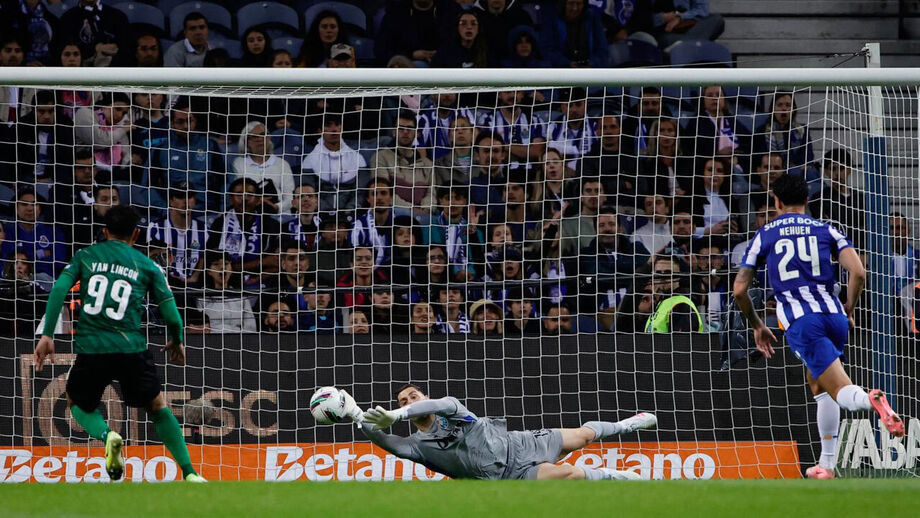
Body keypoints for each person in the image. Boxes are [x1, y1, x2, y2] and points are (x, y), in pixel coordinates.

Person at [732, 173, 905, 479]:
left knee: (839, 390)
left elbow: (739, 289)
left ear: (776, 202)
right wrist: (849, 307)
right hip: (834, 315)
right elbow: (859, 272)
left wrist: (757, 324)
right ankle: (826, 465)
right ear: (808, 200)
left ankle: (871, 400)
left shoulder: (766, 233)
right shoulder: (826, 229)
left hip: (802, 320)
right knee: (819, 385)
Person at [33, 206, 205, 483]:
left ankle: (108, 436)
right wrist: (177, 339)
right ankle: (190, 473)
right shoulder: (146, 264)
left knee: (76, 402)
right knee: (157, 407)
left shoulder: (85, 256)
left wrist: (47, 334)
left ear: (104, 231)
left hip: (92, 348)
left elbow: (58, 290)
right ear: (136, 233)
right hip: (131, 348)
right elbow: (171, 313)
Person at [354, 383, 656, 479]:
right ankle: (615, 476)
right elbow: (388, 442)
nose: (410, 401)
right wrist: (354, 413)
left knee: (582, 437)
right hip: (509, 476)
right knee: (571, 474)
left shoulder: (451, 408)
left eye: (413, 396)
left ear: (423, 397)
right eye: (403, 401)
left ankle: (626, 423)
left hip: (520, 444)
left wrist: (396, 412)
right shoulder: (417, 446)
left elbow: (439, 403)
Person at [231, 120, 296, 215]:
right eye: (254, 136)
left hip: (279, 215)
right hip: (249, 213)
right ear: (246, 142)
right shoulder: (238, 163)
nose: (260, 139)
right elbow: (238, 194)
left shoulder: (282, 164)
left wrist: (275, 208)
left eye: (263, 134)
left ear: (269, 138)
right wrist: (255, 202)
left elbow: (290, 198)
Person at [541, 0, 608, 68]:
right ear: (563, 4)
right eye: (571, 3)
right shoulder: (551, 18)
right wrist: (567, 63)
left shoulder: (592, 18)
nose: (575, 8)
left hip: (590, 70)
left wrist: (592, 64)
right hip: (560, 71)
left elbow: (603, 50)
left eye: (579, 4)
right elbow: (546, 49)